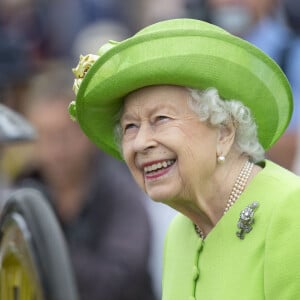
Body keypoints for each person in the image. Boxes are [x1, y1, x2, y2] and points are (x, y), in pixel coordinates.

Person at [69, 18, 300, 299]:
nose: (141, 142)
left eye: (161, 119)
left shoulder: (291, 211)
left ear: (224, 131)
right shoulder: (179, 232)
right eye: (130, 126)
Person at [13, 63, 156, 300]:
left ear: (87, 133)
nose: (57, 151)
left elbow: (119, 280)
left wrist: (46, 250)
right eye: (45, 137)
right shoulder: (23, 191)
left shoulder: (120, 190)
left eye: (65, 135)